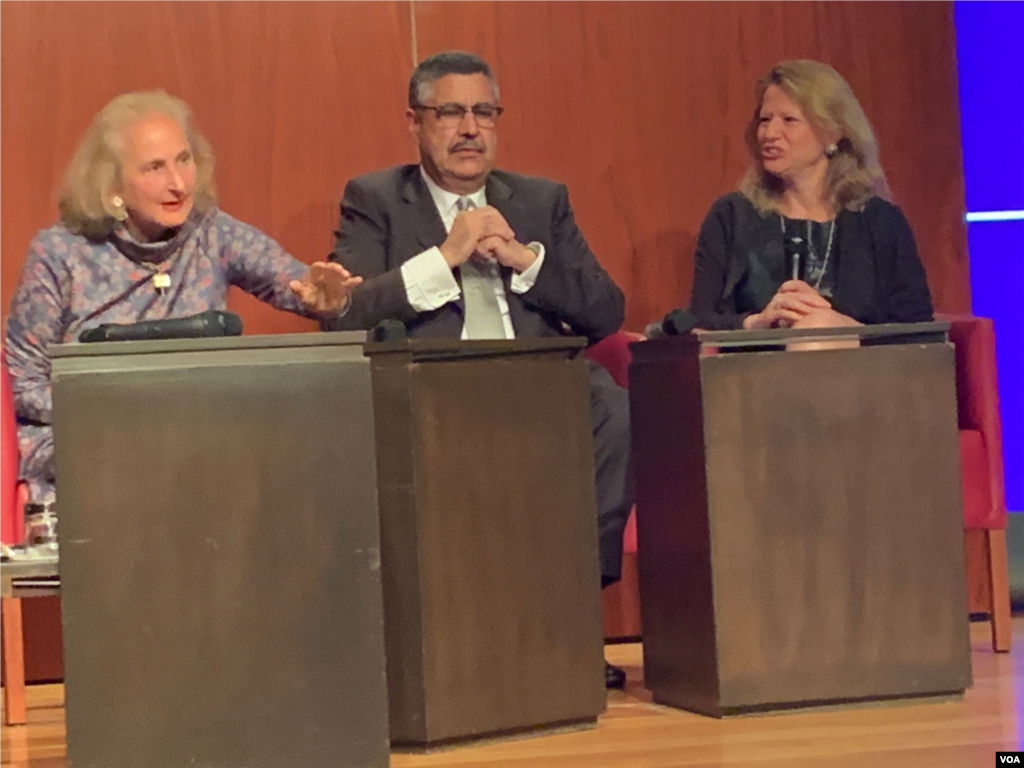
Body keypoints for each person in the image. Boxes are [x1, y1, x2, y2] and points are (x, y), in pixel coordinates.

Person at [325, 51, 632, 689]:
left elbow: (605, 312)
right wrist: (445, 256)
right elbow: (345, 315)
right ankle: (458, 641)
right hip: (437, 381)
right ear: (415, 122)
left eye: (483, 112)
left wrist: (524, 258)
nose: (469, 128)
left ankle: (570, 610)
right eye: (450, 112)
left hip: (534, 377)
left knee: (608, 405)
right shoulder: (376, 198)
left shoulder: (541, 199)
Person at [4, 91, 361, 505]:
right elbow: (21, 382)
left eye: (184, 160)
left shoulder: (211, 232)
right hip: (89, 449)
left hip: (195, 448)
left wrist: (322, 297)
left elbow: (294, 282)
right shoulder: (60, 253)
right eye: (155, 167)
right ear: (112, 182)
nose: (178, 183)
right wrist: (116, 412)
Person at [683, 59, 932, 332]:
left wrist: (843, 327)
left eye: (789, 120)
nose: (769, 133)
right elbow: (698, 321)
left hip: (862, 369)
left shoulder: (881, 221)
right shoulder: (730, 216)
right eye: (765, 120)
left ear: (833, 132)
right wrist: (755, 322)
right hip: (756, 371)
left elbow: (917, 326)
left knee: (819, 325)